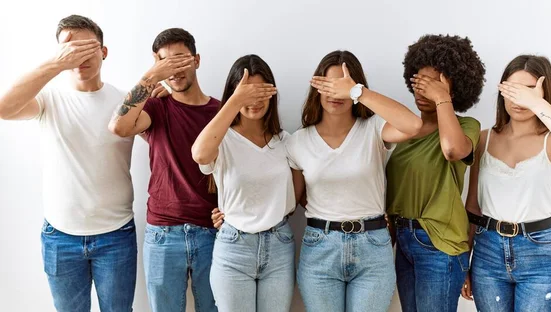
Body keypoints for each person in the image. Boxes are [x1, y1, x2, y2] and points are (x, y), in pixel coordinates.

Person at [0, 15, 137, 311]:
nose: (78, 55)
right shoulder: (49, 98)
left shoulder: (125, 103)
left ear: (103, 51)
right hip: (60, 238)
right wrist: (56, 64)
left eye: (86, 47)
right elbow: (4, 108)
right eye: (69, 49)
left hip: (116, 235)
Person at [290, 50, 423, 312]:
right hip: (320, 247)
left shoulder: (374, 128)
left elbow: (413, 125)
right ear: (318, 88)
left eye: (344, 85)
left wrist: (358, 92)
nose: (335, 93)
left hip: (372, 247)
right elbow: (292, 198)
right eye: (330, 85)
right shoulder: (298, 141)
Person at [461, 55, 551, 312]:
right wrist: (465, 262)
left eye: (528, 90)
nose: (518, 99)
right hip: (487, 252)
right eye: (512, 90)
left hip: (540, 253)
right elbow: (474, 207)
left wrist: (537, 104)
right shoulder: (483, 139)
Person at [109, 28, 219, 312]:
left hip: (213, 232)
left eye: (179, 60)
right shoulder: (156, 108)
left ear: (196, 60)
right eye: (163, 62)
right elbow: (118, 127)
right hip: (162, 233)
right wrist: (150, 79)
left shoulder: (220, 112)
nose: (172, 69)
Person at [193, 54, 302, 312]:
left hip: (279, 245)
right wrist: (235, 100)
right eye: (246, 93)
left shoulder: (285, 142)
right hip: (233, 248)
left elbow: (296, 195)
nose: (254, 101)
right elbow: (199, 154)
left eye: (260, 92)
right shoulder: (222, 140)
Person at [385, 34, 486, 312]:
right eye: (419, 82)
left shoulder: (467, 126)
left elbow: (453, 150)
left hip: (439, 243)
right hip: (403, 241)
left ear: (455, 88)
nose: (423, 91)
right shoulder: (403, 129)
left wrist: (442, 99)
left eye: (434, 84)